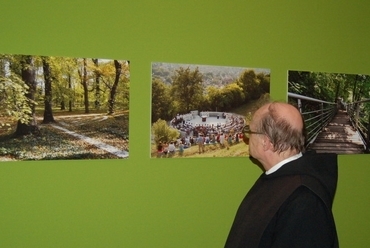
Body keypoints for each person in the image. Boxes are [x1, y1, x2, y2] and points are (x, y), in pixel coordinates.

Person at [224, 102, 339, 248]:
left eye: (250, 131)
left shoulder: (304, 200)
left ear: (267, 143)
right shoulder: (276, 177)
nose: (247, 138)